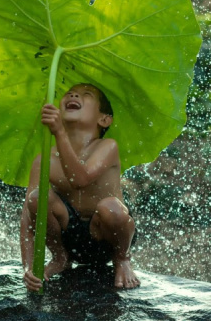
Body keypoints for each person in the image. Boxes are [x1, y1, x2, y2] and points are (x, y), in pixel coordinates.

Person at [20, 83, 140, 291]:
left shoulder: (107, 146)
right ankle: (60, 258)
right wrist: (28, 268)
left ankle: (123, 260)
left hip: (109, 236)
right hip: (70, 239)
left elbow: (80, 178)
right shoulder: (44, 159)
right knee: (37, 198)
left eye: (87, 95)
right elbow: (27, 220)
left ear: (104, 119)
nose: (74, 94)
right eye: (69, 93)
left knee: (111, 207)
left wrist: (59, 132)